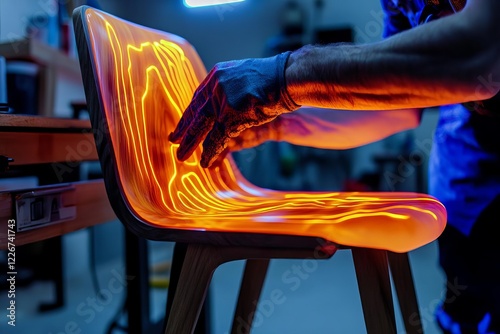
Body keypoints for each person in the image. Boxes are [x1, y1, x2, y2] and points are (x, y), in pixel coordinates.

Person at [169, 0, 500, 332]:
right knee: (467, 305)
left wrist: (286, 73)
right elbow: (397, 106)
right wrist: (273, 123)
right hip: (467, 173)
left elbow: (482, 51)